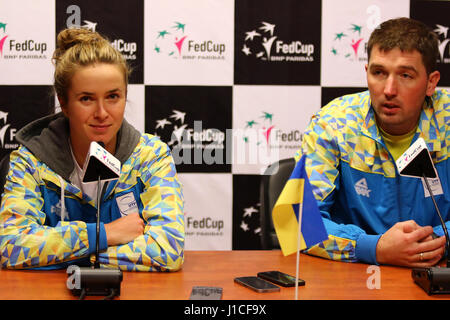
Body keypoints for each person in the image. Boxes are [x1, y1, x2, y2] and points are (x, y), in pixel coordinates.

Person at [0, 28, 185, 271]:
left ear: (125, 96)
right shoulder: (29, 160)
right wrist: (105, 234)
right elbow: (12, 247)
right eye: (86, 99)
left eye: (113, 97)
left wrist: (78, 253)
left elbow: (167, 250)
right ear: (64, 103)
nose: (102, 113)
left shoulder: (151, 155)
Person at [296, 17, 449, 267]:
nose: (389, 89)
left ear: (431, 82)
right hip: (353, 277)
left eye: (406, 75)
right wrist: (374, 248)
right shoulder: (333, 125)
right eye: (379, 73)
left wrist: (437, 241)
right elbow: (301, 222)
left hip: (434, 273)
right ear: (366, 73)